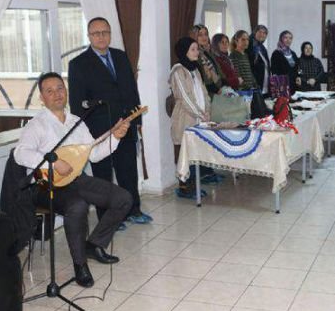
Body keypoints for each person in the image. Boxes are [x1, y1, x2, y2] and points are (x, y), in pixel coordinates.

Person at [15, 73, 132, 287]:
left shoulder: (76, 122)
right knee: (77, 206)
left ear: (66, 91)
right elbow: (20, 154)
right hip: (45, 185)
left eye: (60, 88)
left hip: (74, 179)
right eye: (49, 91)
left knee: (123, 198)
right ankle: (80, 265)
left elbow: (93, 154)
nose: (56, 94)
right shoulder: (37, 125)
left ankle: (94, 245)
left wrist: (115, 137)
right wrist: (53, 162)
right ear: (42, 97)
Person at [68, 17, 152, 229]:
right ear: (89, 36)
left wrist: (137, 120)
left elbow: (132, 90)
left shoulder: (120, 56)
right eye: (96, 33)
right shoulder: (78, 64)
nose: (101, 36)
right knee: (103, 176)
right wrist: (86, 133)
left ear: (110, 34)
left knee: (128, 172)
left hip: (126, 124)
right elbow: (77, 104)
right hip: (100, 130)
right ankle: (108, 218)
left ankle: (133, 210)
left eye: (105, 32)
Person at [170, 37, 211, 199]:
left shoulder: (195, 70)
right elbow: (184, 98)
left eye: (197, 49)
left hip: (199, 118)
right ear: (184, 52)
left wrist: (207, 110)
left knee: (195, 152)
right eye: (193, 49)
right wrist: (201, 113)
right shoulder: (178, 71)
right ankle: (184, 187)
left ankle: (194, 184)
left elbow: (204, 92)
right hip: (186, 118)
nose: (197, 52)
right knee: (185, 153)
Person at [193, 24, 223, 97]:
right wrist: (216, 90)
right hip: (207, 94)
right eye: (200, 35)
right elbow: (203, 78)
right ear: (194, 37)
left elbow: (218, 70)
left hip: (217, 90)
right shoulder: (195, 55)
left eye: (206, 34)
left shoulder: (206, 52)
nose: (204, 37)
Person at [271, 30, 300, 94]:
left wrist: (299, 76)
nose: (288, 40)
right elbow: (274, 71)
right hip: (282, 85)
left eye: (290, 38)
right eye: (285, 37)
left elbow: (298, 68)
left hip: (294, 85)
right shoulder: (276, 53)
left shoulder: (293, 53)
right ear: (281, 39)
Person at [248, 25, 271, 94]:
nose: (262, 34)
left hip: (264, 80)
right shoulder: (249, 45)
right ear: (255, 32)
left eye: (264, 33)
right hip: (253, 81)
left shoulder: (262, 47)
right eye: (260, 32)